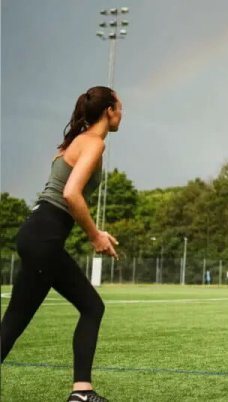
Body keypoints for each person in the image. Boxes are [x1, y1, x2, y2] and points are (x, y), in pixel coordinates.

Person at [1, 86, 122, 402]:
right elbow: (71, 194)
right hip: (44, 237)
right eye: (120, 108)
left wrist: (97, 231)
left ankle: (81, 393)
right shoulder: (94, 143)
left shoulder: (74, 142)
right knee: (92, 306)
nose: (122, 114)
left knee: (15, 320)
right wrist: (95, 235)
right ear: (109, 111)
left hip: (35, 232)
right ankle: (81, 392)